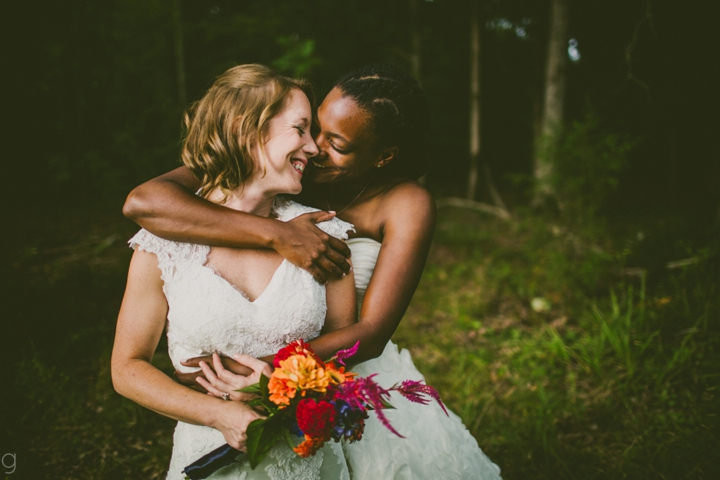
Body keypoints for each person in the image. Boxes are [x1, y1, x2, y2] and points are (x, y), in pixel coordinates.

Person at [124, 63, 502, 479]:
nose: (316, 148)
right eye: (314, 128)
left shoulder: (400, 202)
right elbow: (146, 201)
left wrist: (261, 374)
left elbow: (370, 333)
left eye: (336, 143)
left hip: (343, 365)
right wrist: (276, 234)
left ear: (383, 156)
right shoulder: (279, 169)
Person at [111, 64, 357, 479]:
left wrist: (283, 383)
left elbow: (346, 357)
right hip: (206, 455)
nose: (313, 148)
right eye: (299, 129)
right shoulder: (162, 243)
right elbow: (127, 368)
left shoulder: (324, 235)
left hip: (302, 462)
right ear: (247, 130)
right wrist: (217, 414)